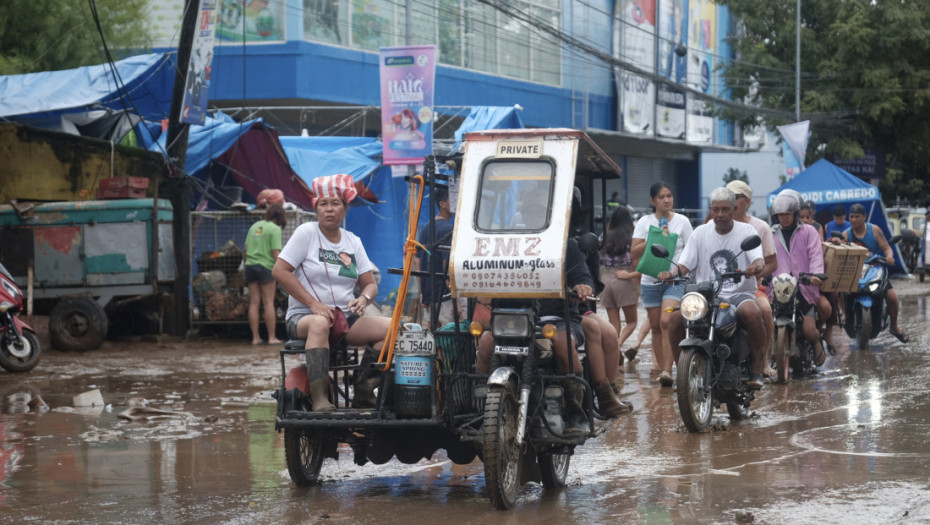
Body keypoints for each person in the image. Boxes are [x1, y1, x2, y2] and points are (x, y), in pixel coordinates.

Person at [272, 174, 391, 411]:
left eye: (335, 204)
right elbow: (280, 271)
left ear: (345, 208)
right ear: (316, 207)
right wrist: (314, 304)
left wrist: (363, 299)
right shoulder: (306, 233)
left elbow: (370, 284)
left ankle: (364, 392)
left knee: (391, 328)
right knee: (319, 323)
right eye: (323, 204)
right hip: (304, 316)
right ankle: (319, 400)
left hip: (344, 319)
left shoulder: (353, 241)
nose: (329, 210)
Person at [658, 187, 767, 388]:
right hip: (704, 296)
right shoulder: (700, 232)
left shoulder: (747, 231)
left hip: (738, 294)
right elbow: (685, 264)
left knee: (753, 313)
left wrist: (756, 267)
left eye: (725, 210)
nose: (720, 215)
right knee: (673, 319)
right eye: (715, 210)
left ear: (734, 209)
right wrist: (671, 273)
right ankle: (683, 373)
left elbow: (758, 259)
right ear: (711, 209)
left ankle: (758, 369)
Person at [631, 182, 693, 386]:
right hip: (650, 281)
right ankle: (661, 367)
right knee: (656, 327)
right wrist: (654, 236)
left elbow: (691, 251)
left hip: (675, 279)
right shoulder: (644, 222)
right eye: (661, 197)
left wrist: (675, 271)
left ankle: (668, 370)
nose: (666, 200)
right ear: (652, 201)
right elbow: (634, 252)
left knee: (667, 321)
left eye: (669, 195)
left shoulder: (682, 222)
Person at [830, 203, 909, 343]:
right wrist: (837, 242)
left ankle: (894, 326)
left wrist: (889, 256)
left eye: (857, 216)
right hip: (854, 272)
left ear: (864, 217)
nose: (853, 219)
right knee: (838, 290)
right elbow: (840, 248)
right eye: (851, 217)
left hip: (875, 269)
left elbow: (886, 248)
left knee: (893, 298)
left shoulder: (874, 230)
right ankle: (845, 314)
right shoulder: (846, 234)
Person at [769, 191, 830, 367]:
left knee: (810, 330)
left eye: (787, 214)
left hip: (804, 286)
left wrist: (815, 275)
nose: (784, 218)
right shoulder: (771, 233)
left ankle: (817, 344)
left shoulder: (809, 232)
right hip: (778, 288)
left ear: (795, 214)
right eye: (780, 214)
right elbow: (766, 257)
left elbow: (815, 255)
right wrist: (763, 276)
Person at [726, 180, 778, 377]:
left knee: (764, 310)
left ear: (747, 202)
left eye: (735, 197)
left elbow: (772, 263)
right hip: (719, 287)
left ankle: (762, 361)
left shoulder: (760, 227)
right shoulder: (713, 224)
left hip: (751, 287)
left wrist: (756, 271)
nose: (730, 201)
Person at [415, 187, 465, 329]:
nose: (456, 203)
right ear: (442, 204)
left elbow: (417, 262)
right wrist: (456, 302)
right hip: (445, 295)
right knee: (451, 337)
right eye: (453, 200)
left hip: (431, 294)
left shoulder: (426, 227)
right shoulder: (448, 230)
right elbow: (447, 266)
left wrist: (423, 294)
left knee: (434, 336)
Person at [599, 205, 641, 362]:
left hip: (606, 279)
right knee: (632, 322)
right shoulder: (632, 237)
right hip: (624, 277)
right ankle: (616, 346)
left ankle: (613, 356)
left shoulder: (605, 235)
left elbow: (597, 251)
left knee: (613, 324)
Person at [245, 203, 287, 345]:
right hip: (265, 267)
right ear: (280, 216)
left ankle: (255, 338)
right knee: (268, 302)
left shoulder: (255, 226)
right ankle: (271, 337)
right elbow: (276, 253)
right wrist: (285, 270)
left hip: (250, 266)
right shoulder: (274, 229)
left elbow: (245, 249)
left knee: (254, 302)